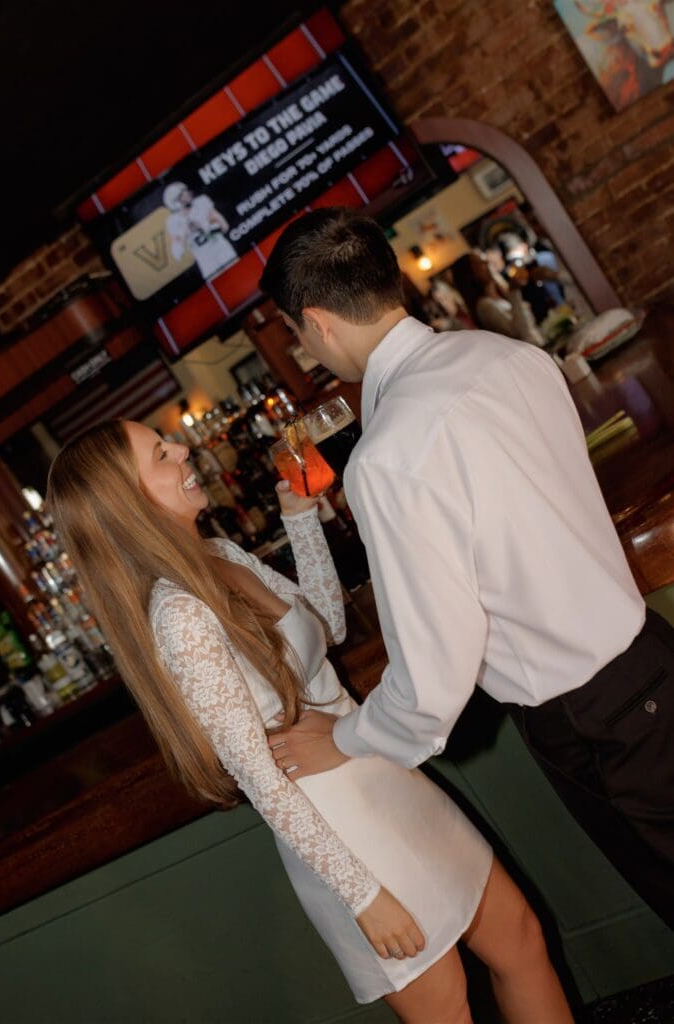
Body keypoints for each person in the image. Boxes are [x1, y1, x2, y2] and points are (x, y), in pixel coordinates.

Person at [46, 420, 573, 1024]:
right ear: (127, 501)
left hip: (374, 769)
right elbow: (258, 777)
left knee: (522, 940)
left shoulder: (217, 553)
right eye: (161, 455)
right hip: (336, 826)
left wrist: (299, 517)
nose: (184, 450)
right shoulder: (178, 614)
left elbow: (326, 626)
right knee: (447, 1012)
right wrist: (364, 896)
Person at [259, 207, 674, 930]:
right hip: (653, 657)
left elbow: (430, 684)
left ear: (319, 322)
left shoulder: (385, 458)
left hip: (593, 722)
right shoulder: (508, 354)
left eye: (296, 335)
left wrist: (344, 739)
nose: (306, 350)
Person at [449, 252, 544, 345]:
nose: (486, 263)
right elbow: (520, 333)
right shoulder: (484, 306)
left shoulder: (497, 295)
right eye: (479, 264)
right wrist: (514, 292)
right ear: (470, 275)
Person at [163, 182, 237, 280]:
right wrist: (185, 233)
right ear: (175, 202)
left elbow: (224, 226)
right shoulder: (173, 221)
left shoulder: (201, 202)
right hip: (205, 260)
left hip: (221, 249)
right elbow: (177, 255)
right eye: (182, 194)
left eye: (185, 191)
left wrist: (203, 227)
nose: (187, 193)